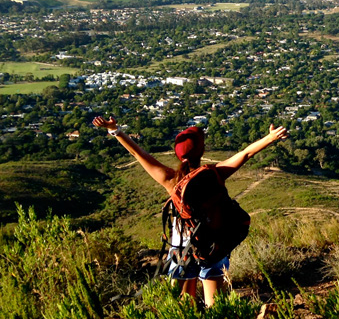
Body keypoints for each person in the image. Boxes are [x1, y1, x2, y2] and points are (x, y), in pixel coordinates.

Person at [92, 116, 288, 306]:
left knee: (184, 311)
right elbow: (246, 153)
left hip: (181, 250)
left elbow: (138, 154)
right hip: (212, 248)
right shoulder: (215, 173)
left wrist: (114, 130)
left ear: (178, 154)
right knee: (216, 308)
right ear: (202, 150)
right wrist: (270, 138)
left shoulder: (169, 179)